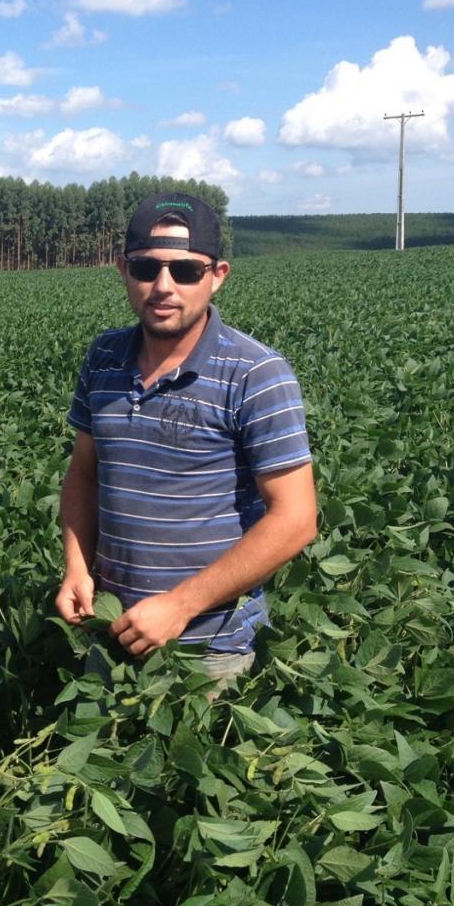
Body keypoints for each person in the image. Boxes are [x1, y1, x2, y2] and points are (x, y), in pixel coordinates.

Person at [55, 192, 317, 686]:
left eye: (186, 271)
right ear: (122, 270)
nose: (163, 286)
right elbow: (83, 476)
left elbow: (296, 520)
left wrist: (179, 607)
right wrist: (76, 567)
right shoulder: (104, 358)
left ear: (218, 275)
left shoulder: (257, 374)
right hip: (111, 631)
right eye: (145, 268)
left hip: (210, 651)